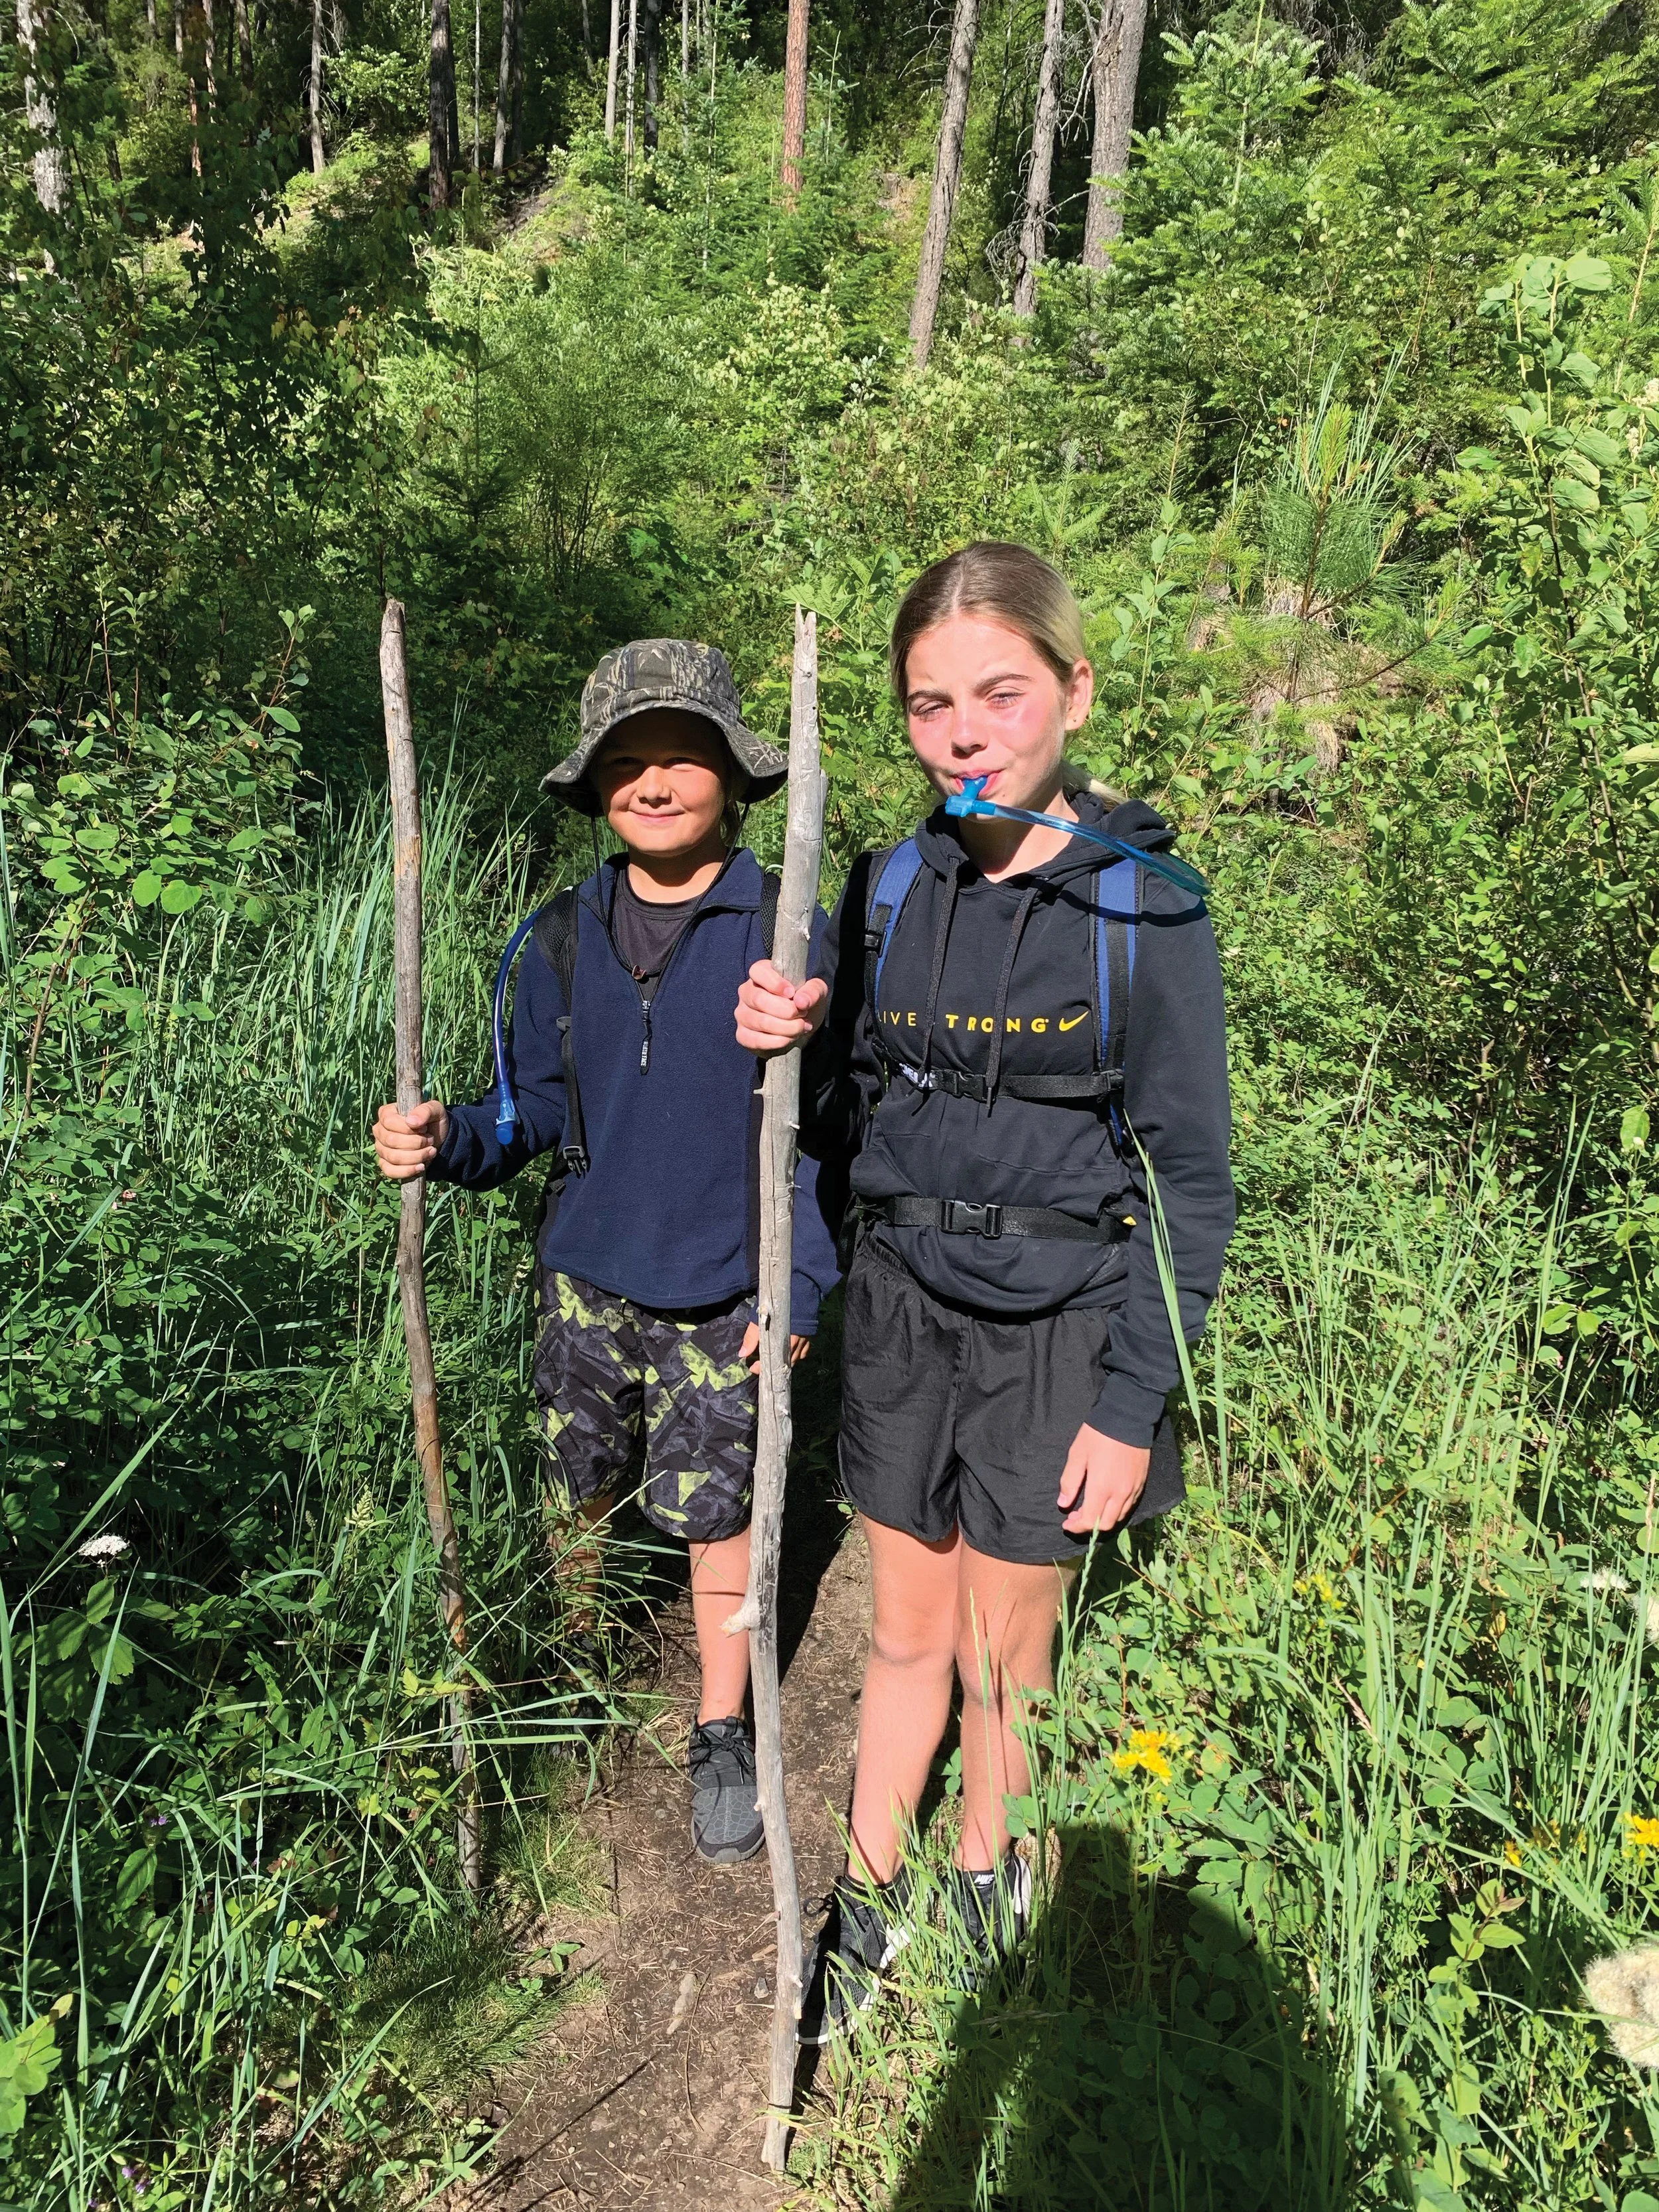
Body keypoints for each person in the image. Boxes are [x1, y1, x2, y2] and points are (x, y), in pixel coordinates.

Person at [735, 543, 1234, 2038]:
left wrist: (1132, 1396)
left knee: (1002, 1649)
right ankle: (869, 1898)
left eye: (1000, 693)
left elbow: (1186, 1179)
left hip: (1056, 1333)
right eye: (929, 703)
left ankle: (984, 1871)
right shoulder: (893, 882)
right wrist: (793, 1036)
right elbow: (838, 1119)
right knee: (901, 1632)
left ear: (1072, 691)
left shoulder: (1140, 909)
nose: (964, 733)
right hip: (902, 1310)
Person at [375, 639, 839, 1868]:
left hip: (722, 1290)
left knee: (715, 1515)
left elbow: (824, 1135)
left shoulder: (787, 931)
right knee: (576, 1482)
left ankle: (722, 1724)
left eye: (679, 756)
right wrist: (447, 1138)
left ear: (733, 777)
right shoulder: (558, 938)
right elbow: (524, 1113)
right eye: (624, 762)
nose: (650, 781)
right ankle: (574, 1662)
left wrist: (800, 1281)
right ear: (594, 791)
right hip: (584, 1280)